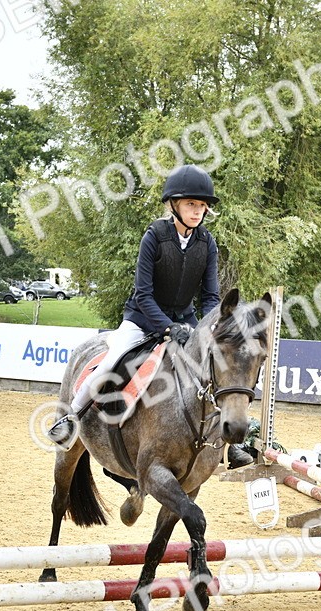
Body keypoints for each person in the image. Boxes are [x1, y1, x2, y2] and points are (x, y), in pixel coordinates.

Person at [48, 164, 223, 447]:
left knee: (218, 363)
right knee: (110, 363)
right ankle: (70, 418)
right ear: (174, 204)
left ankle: (232, 440)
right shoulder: (154, 236)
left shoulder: (207, 242)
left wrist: (208, 326)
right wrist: (168, 327)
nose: (198, 211)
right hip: (142, 319)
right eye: (191, 204)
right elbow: (143, 294)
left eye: (202, 205)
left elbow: (211, 297)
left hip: (185, 320)